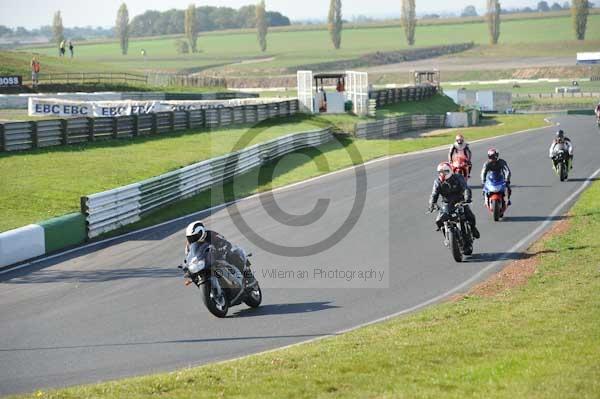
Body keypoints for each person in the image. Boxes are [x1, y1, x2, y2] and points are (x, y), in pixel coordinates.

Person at [429, 162, 480, 239]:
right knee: (439, 221)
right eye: (440, 172)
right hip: (447, 204)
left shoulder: (458, 177)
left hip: (460, 201)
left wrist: (467, 198)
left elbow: (466, 188)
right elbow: (434, 194)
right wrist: (432, 203)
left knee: (470, 216)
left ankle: (473, 229)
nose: (443, 174)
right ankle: (446, 237)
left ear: (450, 170)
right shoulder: (437, 182)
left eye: (445, 171)